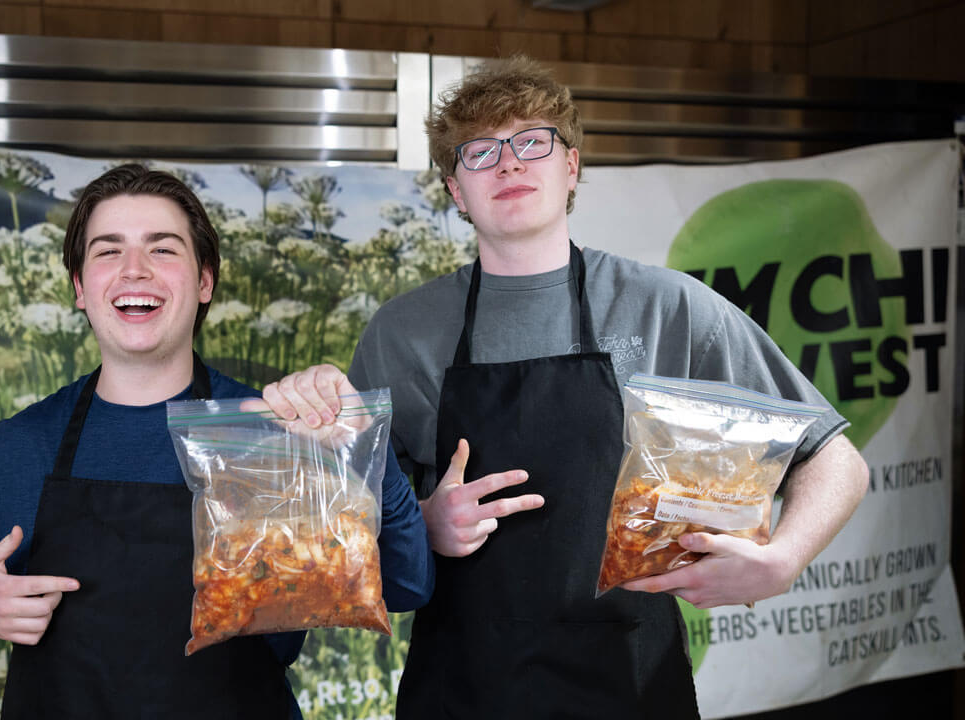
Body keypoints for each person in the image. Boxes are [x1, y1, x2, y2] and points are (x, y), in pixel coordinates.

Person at [262, 56, 869, 718]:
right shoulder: (402, 332)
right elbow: (345, 530)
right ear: (456, 190)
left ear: (571, 167)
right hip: (464, 691)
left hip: (632, 687)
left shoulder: (667, 309)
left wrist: (783, 558)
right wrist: (425, 523)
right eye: (480, 151)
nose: (509, 164)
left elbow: (834, 459)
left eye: (532, 142)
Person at [0, 163, 434, 719]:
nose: (135, 270)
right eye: (108, 251)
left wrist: (360, 449)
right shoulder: (22, 445)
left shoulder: (272, 431)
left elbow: (406, 583)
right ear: (80, 289)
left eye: (163, 250)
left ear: (204, 281)